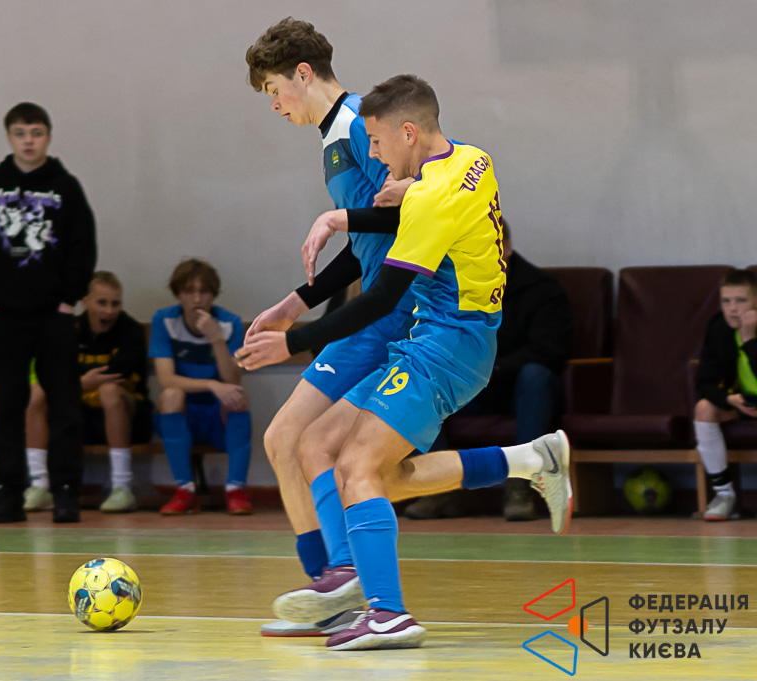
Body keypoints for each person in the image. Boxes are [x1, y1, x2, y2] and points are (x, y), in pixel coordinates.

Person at [236, 75, 572, 651]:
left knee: (357, 467)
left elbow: (380, 298)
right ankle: (529, 459)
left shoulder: (430, 198)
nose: (372, 154)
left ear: (408, 132)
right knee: (337, 454)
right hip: (441, 338)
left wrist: (293, 343)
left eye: (376, 141)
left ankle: (387, 614)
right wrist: (355, 214)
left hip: (448, 347)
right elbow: (427, 199)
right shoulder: (473, 159)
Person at [245, 17, 416, 637]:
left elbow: (402, 217)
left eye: (274, 90)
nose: (275, 105)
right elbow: (365, 241)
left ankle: (339, 582)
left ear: (303, 73)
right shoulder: (333, 137)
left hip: (394, 311)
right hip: (375, 303)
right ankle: (333, 584)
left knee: (298, 439)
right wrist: (297, 301)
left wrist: (336, 220)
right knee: (289, 440)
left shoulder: (356, 125)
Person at [0, 102, 97, 523]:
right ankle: (8, 491)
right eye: (20, 134)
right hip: (3, 316)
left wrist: (68, 300)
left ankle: (66, 491)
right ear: (9, 138)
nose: (29, 141)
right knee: (5, 407)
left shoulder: (65, 186)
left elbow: (82, 245)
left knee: (64, 406)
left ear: (48, 137)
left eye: (36, 133)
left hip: (54, 316)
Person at [405, 222, 573, 521]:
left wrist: (495, 369)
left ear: (505, 248)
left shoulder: (541, 289)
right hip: (469, 389)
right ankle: (438, 489)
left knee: (536, 376)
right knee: (424, 380)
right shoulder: (454, 288)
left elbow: (549, 350)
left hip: (519, 390)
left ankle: (520, 486)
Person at [23, 272, 152, 513]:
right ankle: (39, 485)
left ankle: (122, 488)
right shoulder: (69, 330)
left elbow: (115, 372)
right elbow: (54, 371)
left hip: (131, 418)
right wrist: (81, 381)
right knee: (38, 393)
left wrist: (74, 379)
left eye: (115, 304)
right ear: (85, 302)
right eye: (102, 303)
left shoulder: (131, 330)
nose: (109, 311)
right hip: (79, 416)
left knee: (109, 391)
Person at [150, 259, 253, 515]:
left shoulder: (230, 323)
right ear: (178, 294)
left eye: (204, 291)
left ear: (213, 295)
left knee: (238, 397)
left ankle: (236, 489)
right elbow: (166, 378)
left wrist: (216, 339)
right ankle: (185, 490)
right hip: (183, 413)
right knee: (170, 395)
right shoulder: (164, 320)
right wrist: (210, 384)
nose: (197, 299)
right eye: (189, 291)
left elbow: (232, 381)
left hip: (216, 416)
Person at [694, 268, 757, 521]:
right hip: (742, 404)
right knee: (704, 409)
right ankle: (724, 495)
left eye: (741, 300)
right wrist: (731, 400)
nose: (732, 309)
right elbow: (704, 382)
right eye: (726, 301)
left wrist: (749, 338)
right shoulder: (719, 327)